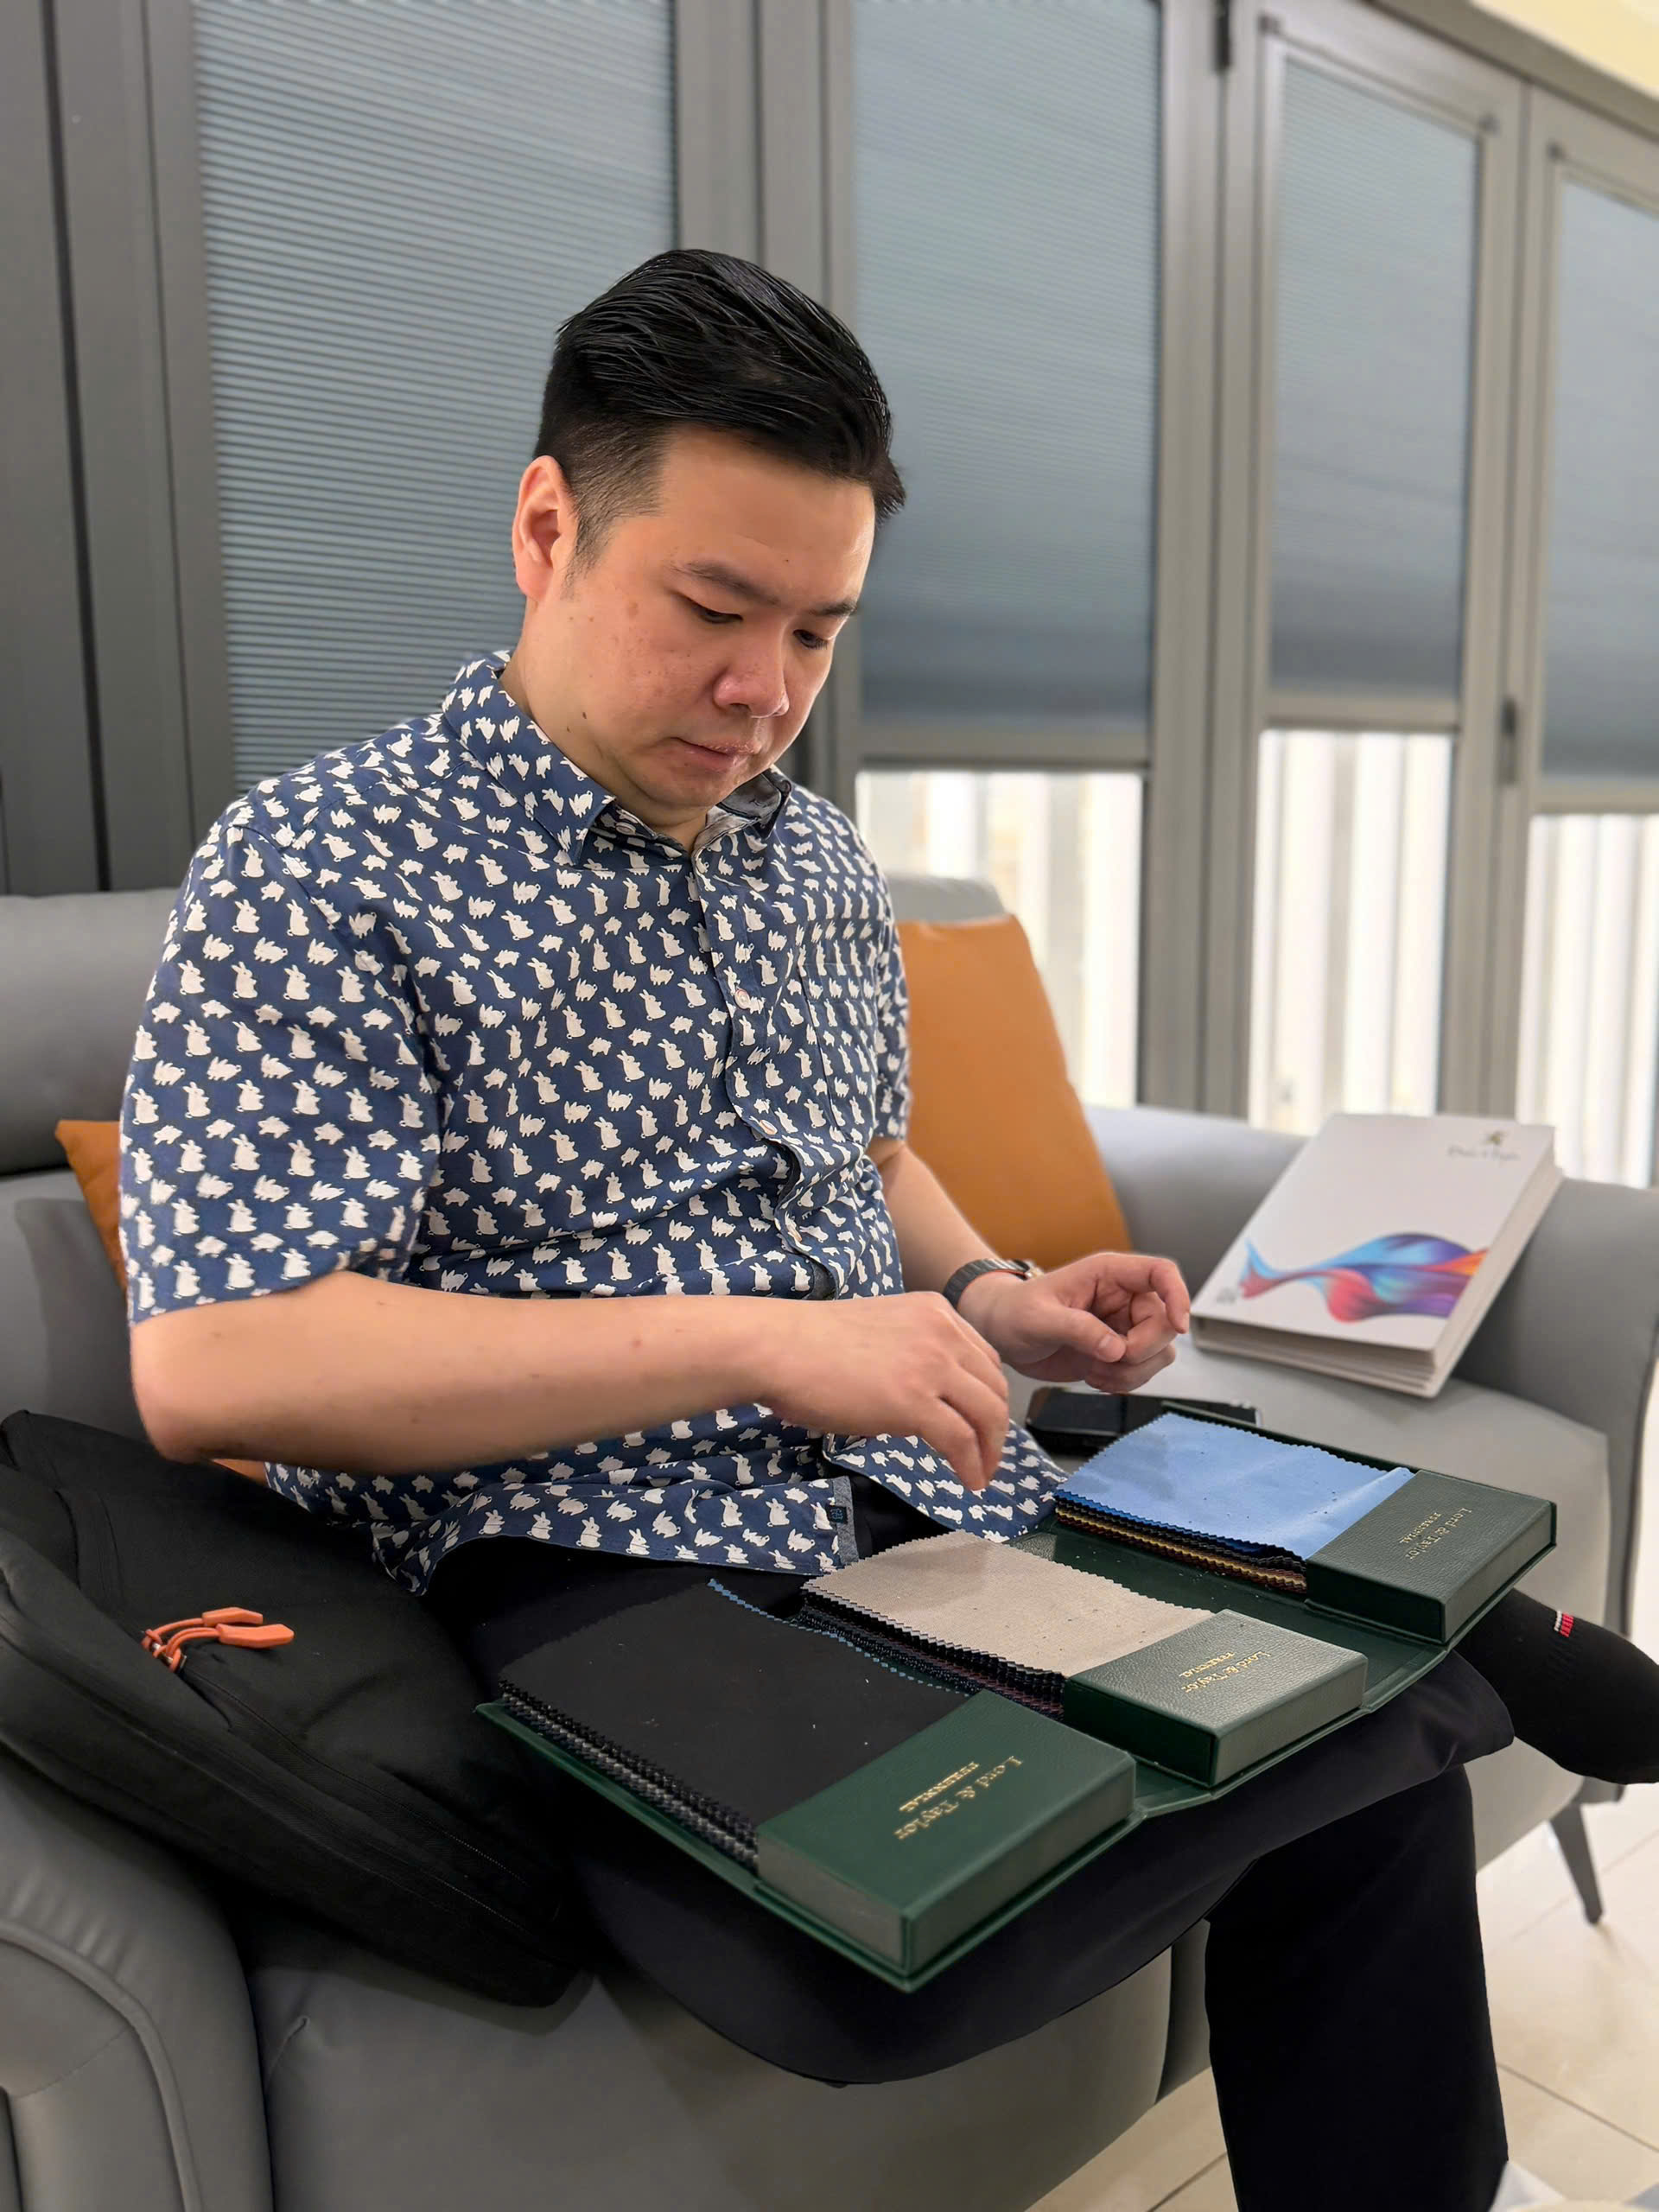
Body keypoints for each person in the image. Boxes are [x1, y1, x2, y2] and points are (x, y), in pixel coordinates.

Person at [121, 250, 1653, 2212]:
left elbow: (864, 1154)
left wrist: (998, 1296)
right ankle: (1451, 1669)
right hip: (600, 1541)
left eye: (820, 633)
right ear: (544, 527)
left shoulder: (820, 860)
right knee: (880, 1946)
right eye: (713, 609)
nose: (764, 693)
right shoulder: (320, 865)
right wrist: (762, 1336)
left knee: (1356, 1749)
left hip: (925, 1477)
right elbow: (217, 1358)